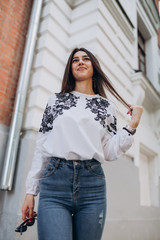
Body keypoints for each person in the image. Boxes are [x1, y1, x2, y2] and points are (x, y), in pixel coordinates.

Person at [22, 47, 143, 240]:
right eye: (75, 60)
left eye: (86, 59)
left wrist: (132, 126)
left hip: (92, 185)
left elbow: (109, 152)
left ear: (94, 67)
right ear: (70, 68)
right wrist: (31, 192)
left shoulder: (106, 106)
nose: (80, 62)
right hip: (55, 183)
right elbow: (42, 146)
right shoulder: (55, 100)